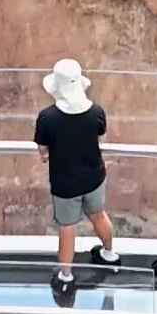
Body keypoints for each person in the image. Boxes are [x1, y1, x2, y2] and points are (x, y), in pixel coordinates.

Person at [34, 59, 118, 285]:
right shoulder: (96, 112)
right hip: (94, 177)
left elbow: (43, 148)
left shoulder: (47, 118)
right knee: (99, 214)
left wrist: (47, 154)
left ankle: (66, 276)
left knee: (68, 227)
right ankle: (109, 253)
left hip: (65, 183)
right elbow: (98, 133)